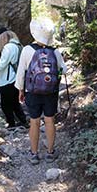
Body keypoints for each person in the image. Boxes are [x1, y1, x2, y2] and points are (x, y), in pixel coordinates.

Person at [15, 18, 67, 165]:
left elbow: (21, 73)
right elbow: (64, 70)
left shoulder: (27, 50)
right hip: (51, 91)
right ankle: (50, 153)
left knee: (34, 121)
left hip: (32, 91)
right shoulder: (55, 51)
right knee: (50, 120)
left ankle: (34, 154)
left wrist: (20, 90)